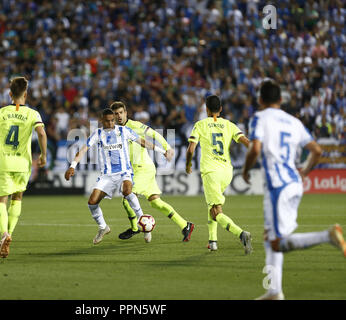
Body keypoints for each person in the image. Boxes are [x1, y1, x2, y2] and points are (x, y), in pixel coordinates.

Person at [242, 80, 345, 300]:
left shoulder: (260, 118)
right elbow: (317, 150)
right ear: (281, 100)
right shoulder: (293, 121)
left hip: (278, 187)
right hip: (294, 184)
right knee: (271, 236)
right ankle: (274, 292)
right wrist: (304, 172)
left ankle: (327, 236)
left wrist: (245, 170)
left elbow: (256, 147)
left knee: (277, 241)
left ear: (260, 100)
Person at [65, 108, 156, 244]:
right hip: (107, 175)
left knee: (127, 191)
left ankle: (142, 221)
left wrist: (162, 150)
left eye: (112, 120)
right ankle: (103, 227)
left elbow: (143, 142)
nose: (110, 123)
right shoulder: (98, 133)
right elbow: (83, 150)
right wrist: (72, 166)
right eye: (107, 121)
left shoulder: (123, 131)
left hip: (124, 172)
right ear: (102, 121)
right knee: (92, 202)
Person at [0, 77, 47, 258]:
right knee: (17, 199)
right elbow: (41, 132)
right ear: (26, 94)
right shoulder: (33, 114)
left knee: (0, 201)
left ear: (10, 94)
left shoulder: (1, 112)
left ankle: (4, 234)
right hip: (23, 164)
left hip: (4, 163)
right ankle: (10, 233)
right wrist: (43, 155)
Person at [110, 101, 195, 243]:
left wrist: (167, 148)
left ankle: (136, 228)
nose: (118, 116)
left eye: (121, 113)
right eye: (116, 114)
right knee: (156, 202)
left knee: (128, 198)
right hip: (137, 170)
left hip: (142, 168)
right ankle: (185, 225)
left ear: (126, 113)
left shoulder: (135, 126)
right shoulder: (114, 131)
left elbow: (155, 134)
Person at [186, 95, 252, 253]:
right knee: (213, 205)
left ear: (206, 110)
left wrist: (188, 164)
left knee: (216, 211)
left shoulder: (200, 125)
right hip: (227, 171)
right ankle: (213, 242)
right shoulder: (229, 125)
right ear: (221, 109)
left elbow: (190, 149)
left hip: (211, 171)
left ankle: (241, 234)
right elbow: (247, 143)